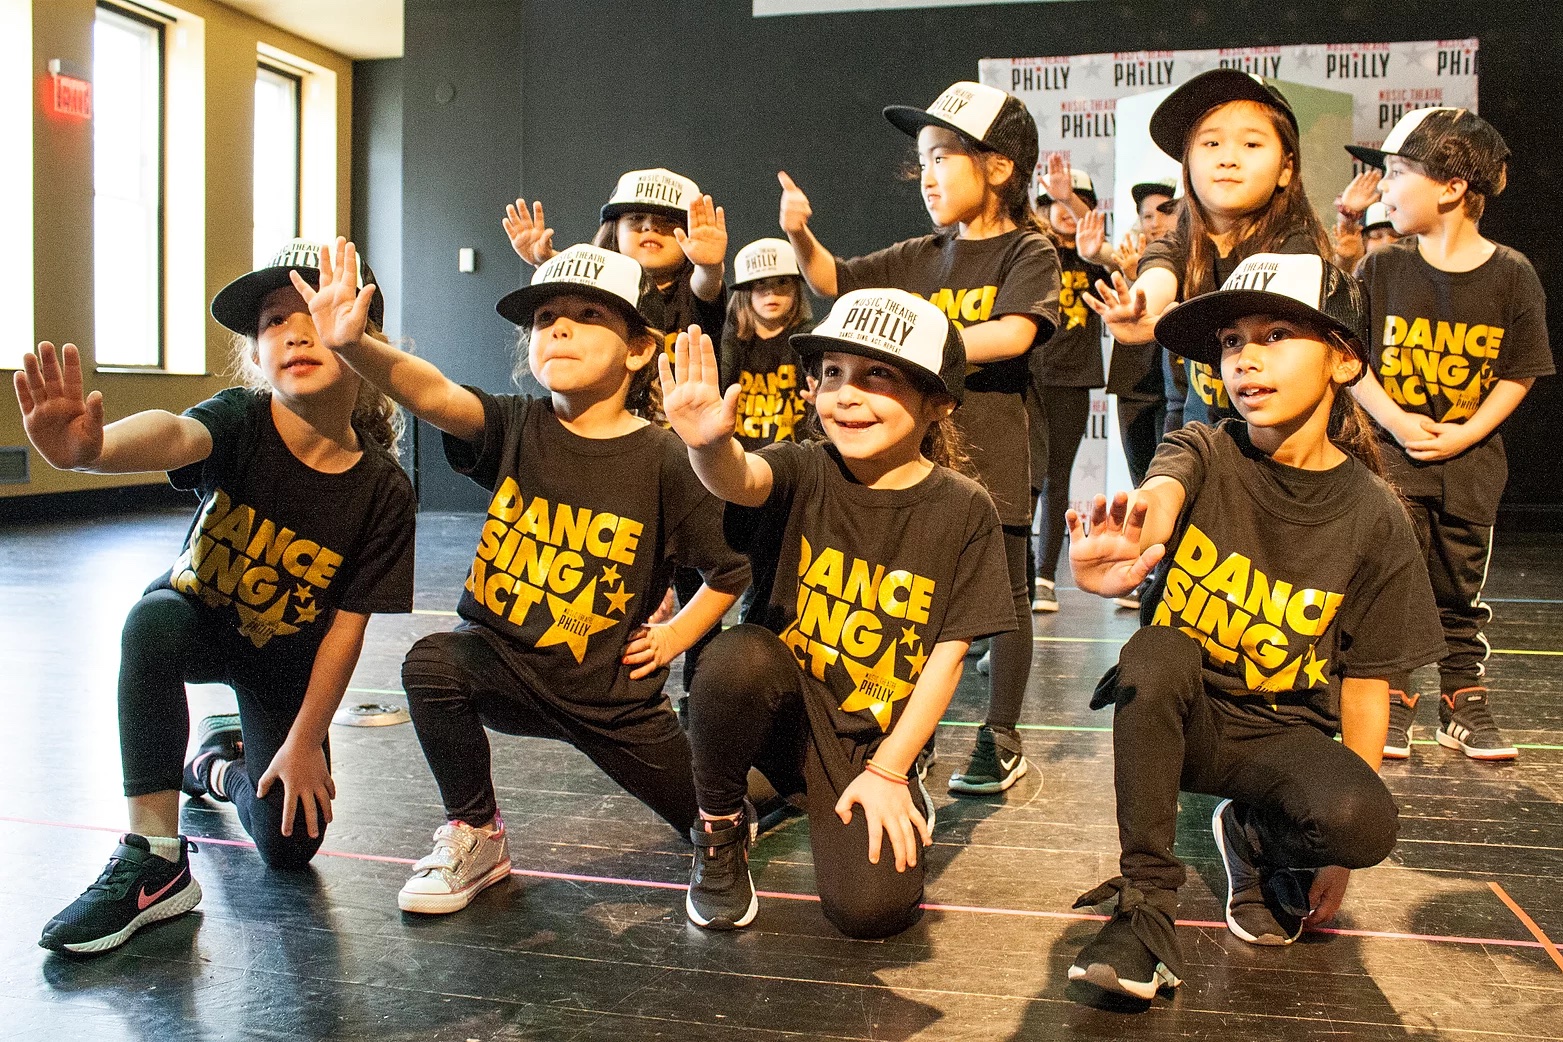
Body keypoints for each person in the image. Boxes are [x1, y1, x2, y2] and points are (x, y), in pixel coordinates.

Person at [302, 240, 751, 913]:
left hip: (608, 699)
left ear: (638, 350)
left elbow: (729, 569)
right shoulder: (514, 425)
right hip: (504, 667)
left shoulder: (665, 457)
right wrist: (355, 346)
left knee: (716, 816)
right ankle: (477, 834)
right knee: (432, 664)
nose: (559, 328)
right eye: (545, 319)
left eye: (588, 315)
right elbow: (431, 392)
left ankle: (752, 796)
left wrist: (675, 636)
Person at [1063, 253, 1444, 1004]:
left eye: (1275, 336)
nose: (1245, 358)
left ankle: (1253, 837)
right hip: (1182, 722)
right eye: (1232, 341)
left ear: (1343, 361)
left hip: (1281, 737)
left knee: (1364, 822)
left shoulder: (1374, 514)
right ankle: (1143, 913)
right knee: (1155, 650)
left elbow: (1368, 683)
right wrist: (1130, 540)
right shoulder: (1202, 447)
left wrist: (1333, 852)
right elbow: (1162, 494)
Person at [24, 241, 416, 954]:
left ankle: (213, 763)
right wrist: (92, 451)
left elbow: (346, 629)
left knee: (289, 846)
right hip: (197, 624)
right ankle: (154, 861)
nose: (292, 332)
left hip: (283, 665)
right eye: (272, 321)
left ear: (364, 340)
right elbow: (174, 433)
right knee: (151, 622)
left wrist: (304, 741)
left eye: (314, 312)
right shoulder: (240, 418)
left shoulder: (382, 490)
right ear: (256, 356)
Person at [660, 288, 1015, 937]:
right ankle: (719, 830)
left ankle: (855, 787)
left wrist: (889, 769)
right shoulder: (802, 466)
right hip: (780, 715)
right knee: (735, 657)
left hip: (865, 741)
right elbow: (740, 478)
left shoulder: (964, 508)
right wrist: (708, 446)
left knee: (870, 912)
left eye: (876, 375)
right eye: (831, 373)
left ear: (938, 402)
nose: (846, 395)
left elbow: (948, 657)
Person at [778, 80, 1061, 797]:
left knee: (1006, 600)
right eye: (923, 161)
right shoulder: (919, 254)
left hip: (994, 454)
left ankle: (999, 735)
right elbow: (834, 280)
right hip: (916, 462)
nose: (927, 175)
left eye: (942, 157)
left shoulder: (1028, 251)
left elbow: (1015, 333)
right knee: (914, 600)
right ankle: (912, 734)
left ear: (999, 166)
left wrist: (922, 347)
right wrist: (801, 235)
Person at [1344, 108, 1554, 761]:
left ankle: (1461, 699)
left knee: (1458, 590)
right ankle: (1392, 697)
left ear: (1452, 187)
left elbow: (1521, 370)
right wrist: (1398, 421)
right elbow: (1349, 360)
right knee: (1387, 584)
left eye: (1397, 172)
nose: (1383, 187)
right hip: (1391, 461)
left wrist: (1466, 434)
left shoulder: (1511, 273)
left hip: (1467, 468)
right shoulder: (1380, 268)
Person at [508, 170, 732, 690]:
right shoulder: (600, 296)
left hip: (680, 459)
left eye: (665, 223)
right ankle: (598, 679)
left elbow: (707, 289)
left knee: (696, 576)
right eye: (636, 220)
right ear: (612, 230)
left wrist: (710, 265)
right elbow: (570, 299)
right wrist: (546, 263)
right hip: (615, 461)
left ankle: (697, 690)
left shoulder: (690, 294)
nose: (649, 230)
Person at [1087, 70, 1332, 431]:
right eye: (1211, 143)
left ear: (1286, 168)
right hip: (1198, 432)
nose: (1228, 158)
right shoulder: (1179, 244)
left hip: (1278, 440)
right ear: (1187, 165)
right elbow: (1159, 274)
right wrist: (1141, 307)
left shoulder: (1297, 253)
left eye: (1251, 144)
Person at [1029, 168, 1109, 614]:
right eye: (1053, 203)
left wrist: (1071, 203)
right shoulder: (1031, 251)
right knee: (1023, 479)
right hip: (1028, 376)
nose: (1062, 210)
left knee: (1056, 478)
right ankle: (1019, 577)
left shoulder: (1093, 256)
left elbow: (1115, 261)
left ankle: (1045, 577)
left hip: (1072, 379)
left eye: (1075, 202)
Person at [719, 237, 814, 452]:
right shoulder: (729, 343)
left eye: (782, 281)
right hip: (736, 457)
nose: (771, 292)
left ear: (796, 288)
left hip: (794, 459)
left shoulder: (809, 340)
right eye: (761, 283)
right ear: (746, 292)